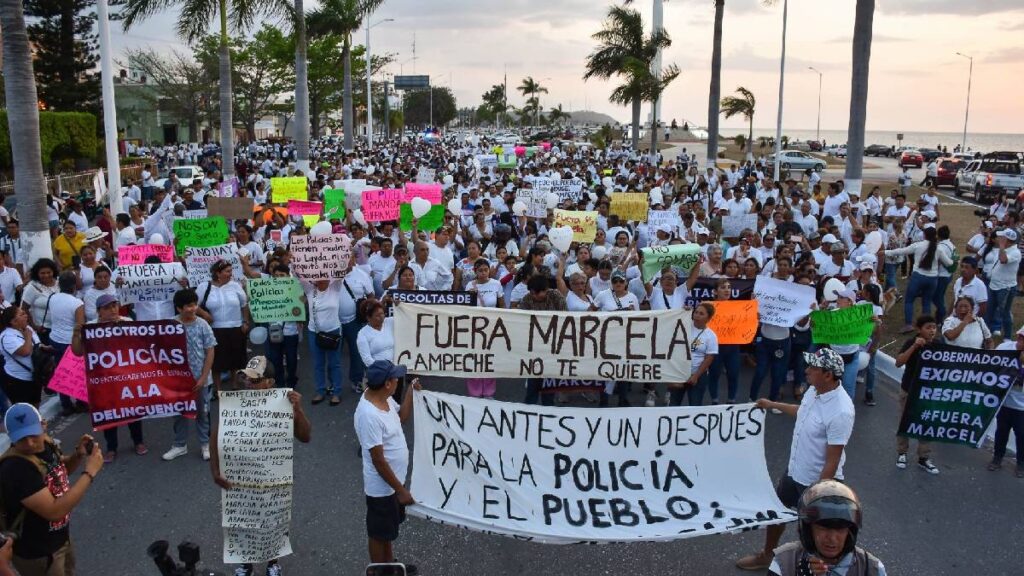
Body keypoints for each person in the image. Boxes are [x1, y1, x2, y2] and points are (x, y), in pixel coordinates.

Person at [736, 348, 855, 571]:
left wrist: (818, 494)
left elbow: (833, 459)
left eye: (812, 368)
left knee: (814, 531)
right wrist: (772, 404)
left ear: (828, 375)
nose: (806, 370)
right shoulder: (815, 390)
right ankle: (767, 555)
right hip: (794, 472)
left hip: (817, 482)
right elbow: (802, 411)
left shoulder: (841, 411)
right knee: (776, 514)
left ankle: (814, 570)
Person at [209, 356, 311, 576]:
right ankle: (245, 564)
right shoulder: (234, 404)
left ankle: (272, 563)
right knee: (242, 521)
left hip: (272, 479)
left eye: (254, 380)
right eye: (245, 378)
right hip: (238, 480)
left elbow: (305, 437)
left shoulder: (284, 403)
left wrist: (299, 410)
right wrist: (215, 471)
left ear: (270, 382)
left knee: (272, 520)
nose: (248, 383)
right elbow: (215, 436)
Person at [0, 403, 104, 576]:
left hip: (60, 539)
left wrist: (78, 455)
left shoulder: (47, 444)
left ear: (44, 425)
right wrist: (89, 473)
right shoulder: (16, 468)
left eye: (33, 435)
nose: (29, 443)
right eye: (21, 439)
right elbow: (55, 511)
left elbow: (58, 473)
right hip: (38, 552)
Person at [355, 360, 420, 575]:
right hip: (382, 489)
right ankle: (378, 570)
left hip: (393, 483)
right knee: (378, 533)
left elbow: (401, 418)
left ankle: (389, 565)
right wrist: (400, 491)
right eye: (395, 378)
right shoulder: (369, 415)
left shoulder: (384, 398)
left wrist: (410, 391)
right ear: (387, 384)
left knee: (388, 530)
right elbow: (378, 460)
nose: (398, 381)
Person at [71, 294, 147, 462]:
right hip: (103, 380)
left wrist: (124, 331)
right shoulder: (90, 328)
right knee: (108, 413)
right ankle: (111, 448)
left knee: (133, 410)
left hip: (126, 377)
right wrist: (76, 334)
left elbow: (140, 346)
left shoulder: (127, 322)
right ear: (99, 311)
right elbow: (77, 352)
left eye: (114, 306)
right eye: (107, 307)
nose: (113, 310)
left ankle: (138, 442)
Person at [769, 480, 886, 576]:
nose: (832, 538)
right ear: (808, 530)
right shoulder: (783, 563)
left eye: (840, 529)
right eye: (823, 528)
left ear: (850, 531)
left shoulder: (872, 569)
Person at [161, 289, 217, 462]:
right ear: (179, 308)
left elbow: (210, 351)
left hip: (200, 379)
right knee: (179, 413)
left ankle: (205, 444)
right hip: (178, 380)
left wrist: (203, 377)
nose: (193, 309)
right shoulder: (171, 325)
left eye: (194, 304)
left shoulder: (203, 324)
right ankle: (180, 445)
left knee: (202, 413)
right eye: (188, 305)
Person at [893, 315, 940, 475]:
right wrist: (914, 346)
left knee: (926, 423)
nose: (932, 331)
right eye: (928, 327)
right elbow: (899, 362)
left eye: (934, 327)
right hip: (909, 390)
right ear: (919, 329)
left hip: (928, 393)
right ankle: (902, 453)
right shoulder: (911, 342)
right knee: (905, 422)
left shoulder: (939, 345)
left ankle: (923, 457)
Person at [195, 259, 251, 388]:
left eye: (231, 271)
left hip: (236, 327)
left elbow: (244, 304)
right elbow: (194, 304)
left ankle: (234, 385)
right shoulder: (204, 287)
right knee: (217, 361)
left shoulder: (235, 286)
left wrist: (246, 322)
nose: (230, 274)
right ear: (218, 273)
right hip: (215, 329)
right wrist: (205, 314)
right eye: (227, 271)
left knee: (236, 359)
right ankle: (218, 389)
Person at [990, 325, 1024, 477]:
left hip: (1022, 406)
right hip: (1004, 402)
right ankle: (997, 458)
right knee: (1001, 432)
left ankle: (1021, 463)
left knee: (1021, 435)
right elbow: (991, 366)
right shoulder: (1005, 347)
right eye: (1021, 337)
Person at [670, 303, 718, 406]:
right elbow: (670, 322)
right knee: (673, 405)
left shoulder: (711, 336)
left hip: (698, 374)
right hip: (679, 372)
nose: (697, 315)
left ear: (708, 318)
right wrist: (682, 312)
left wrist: (696, 376)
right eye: (696, 312)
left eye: (701, 314)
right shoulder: (684, 325)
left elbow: (709, 358)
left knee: (695, 405)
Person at [0, 307, 44, 407]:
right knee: (25, 409)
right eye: (22, 314)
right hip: (18, 379)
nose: (26, 316)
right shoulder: (7, 337)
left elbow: (36, 344)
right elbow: (25, 352)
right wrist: (28, 337)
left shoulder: (28, 328)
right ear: (13, 322)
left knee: (35, 404)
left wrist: (44, 347)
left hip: (34, 375)